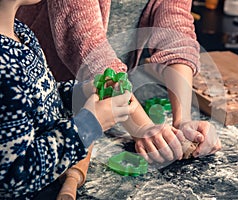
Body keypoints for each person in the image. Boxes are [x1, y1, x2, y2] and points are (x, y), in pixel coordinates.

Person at [17, 0, 222, 163]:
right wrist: (142, 127)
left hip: (113, 100)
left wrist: (184, 120)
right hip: (43, 100)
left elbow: (175, 25)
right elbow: (87, 43)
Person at [0, 0, 136, 199]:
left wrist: (81, 93)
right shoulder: (4, 67)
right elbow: (13, 176)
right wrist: (88, 127)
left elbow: (39, 99)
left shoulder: (20, 33)